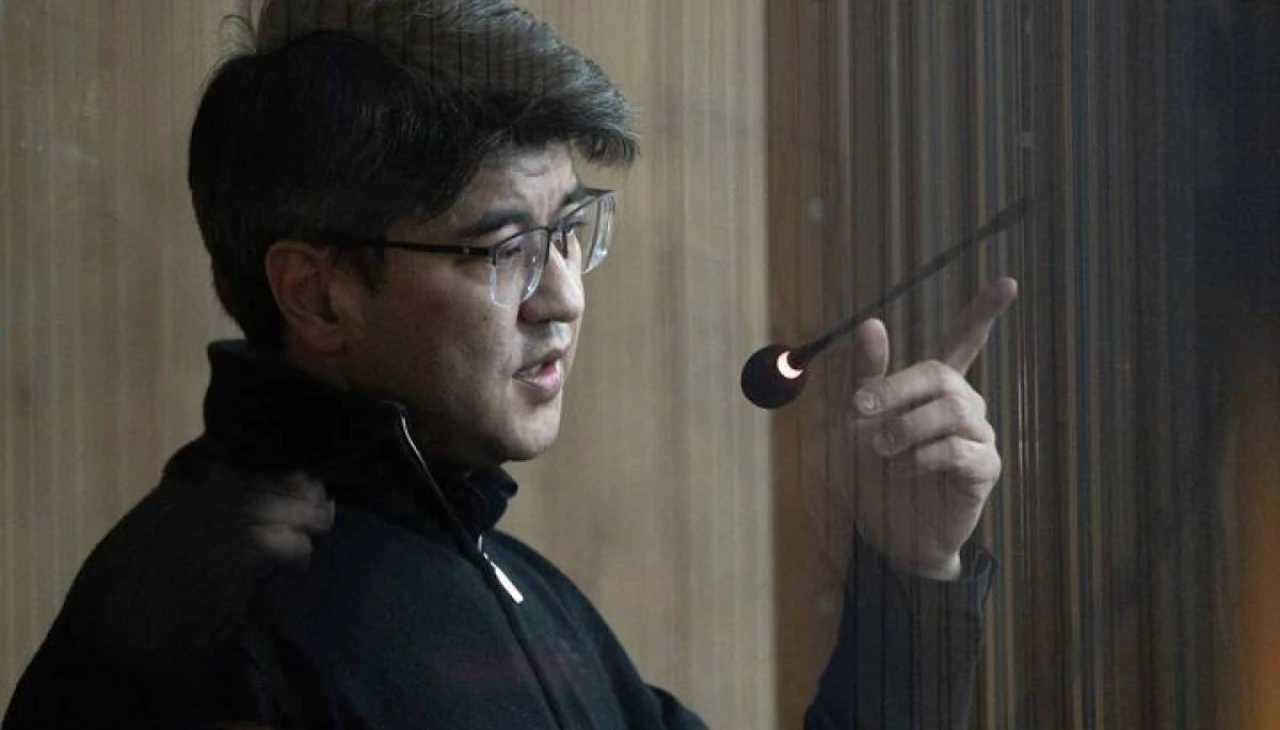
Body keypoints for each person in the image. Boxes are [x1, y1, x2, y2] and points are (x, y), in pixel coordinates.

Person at [3, 1, 1017, 728]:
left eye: (569, 231)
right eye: (502, 250)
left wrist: (909, 568)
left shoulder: (501, 576)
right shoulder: (205, 625)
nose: (563, 296)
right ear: (317, 294)